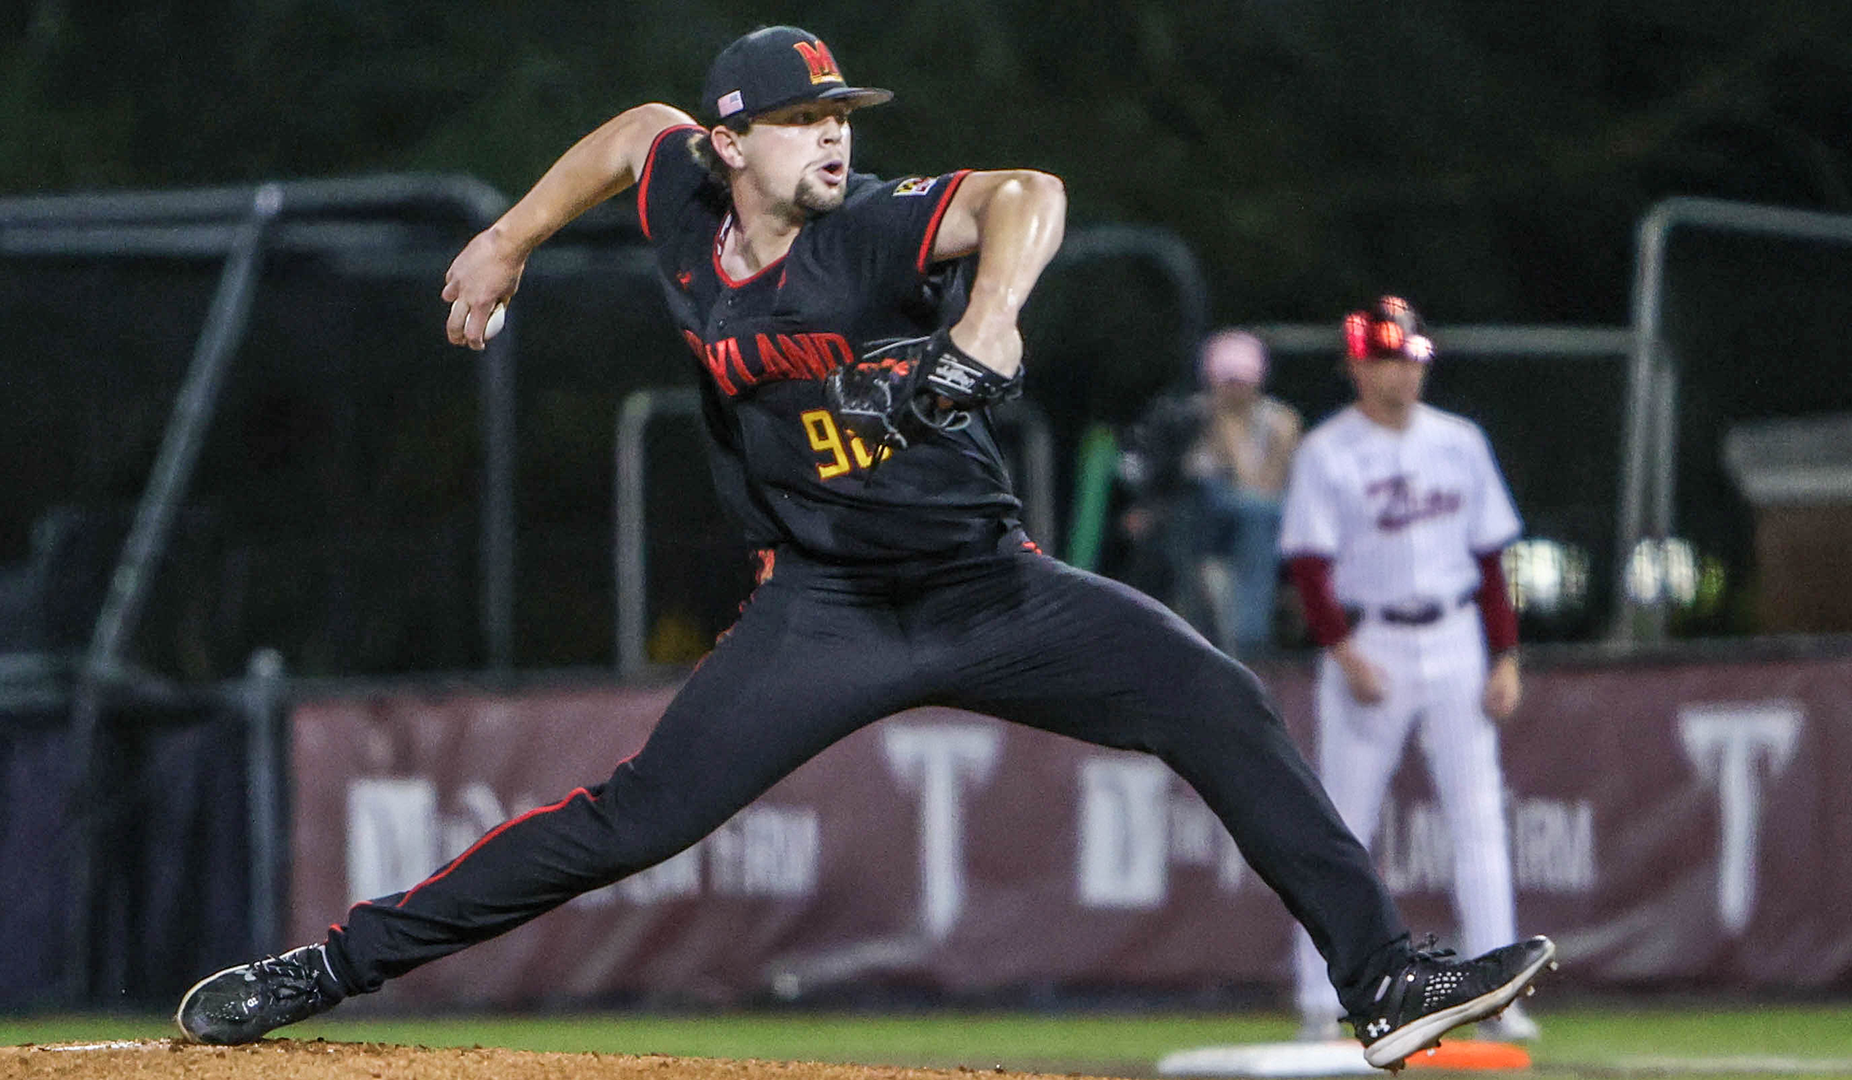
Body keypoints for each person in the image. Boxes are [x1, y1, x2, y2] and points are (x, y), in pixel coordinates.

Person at [175, 29, 1554, 1069]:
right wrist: (509, 238)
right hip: (824, 608)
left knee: (1219, 703)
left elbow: (1028, 192)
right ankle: (328, 968)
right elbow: (628, 134)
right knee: (630, 823)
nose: (830, 139)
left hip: (989, 591)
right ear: (732, 148)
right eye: (796, 121)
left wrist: (990, 316)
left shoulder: (878, 229)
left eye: (838, 113)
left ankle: (1381, 988)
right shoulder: (680, 200)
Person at [1278, 296, 1540, 1043]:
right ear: (1356, 365)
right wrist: (1342, 650)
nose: (1401, 374)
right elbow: (1308, 564)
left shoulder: (1459, 441)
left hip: (1457, 638)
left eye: (1410, 359)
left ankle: (1500, 999)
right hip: (1373, 643)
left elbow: (1492, 560)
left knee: (1480, 821)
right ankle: (1321, 1000)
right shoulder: (1328, 450)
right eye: (1386, 360)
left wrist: (1506, 656)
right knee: (1338, 830)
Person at [1120, 331, 1299, 651]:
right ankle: (1197, 632)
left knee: (1257, 518)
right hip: (1198, 516)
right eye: (1227, 380)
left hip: (1260, 515)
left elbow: (1263, 487)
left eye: (1241, 381)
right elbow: (1165, 477)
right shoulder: (1188, 417)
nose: (1234, 391)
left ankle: (1248, 639)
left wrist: (1231, 436)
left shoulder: (1280, 421)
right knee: (1193, 507)